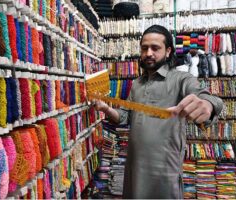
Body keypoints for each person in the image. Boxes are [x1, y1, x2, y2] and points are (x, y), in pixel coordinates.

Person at [93, 25, 223, 199]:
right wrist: (105, 108)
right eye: (144, 48)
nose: (148, 53)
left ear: (168, 51)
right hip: (135, 167)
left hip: (165, 170)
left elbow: (206, 97)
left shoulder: (181, 79)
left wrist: (208, 105)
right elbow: (124, 117)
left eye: (155, 48)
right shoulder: (137, 84)